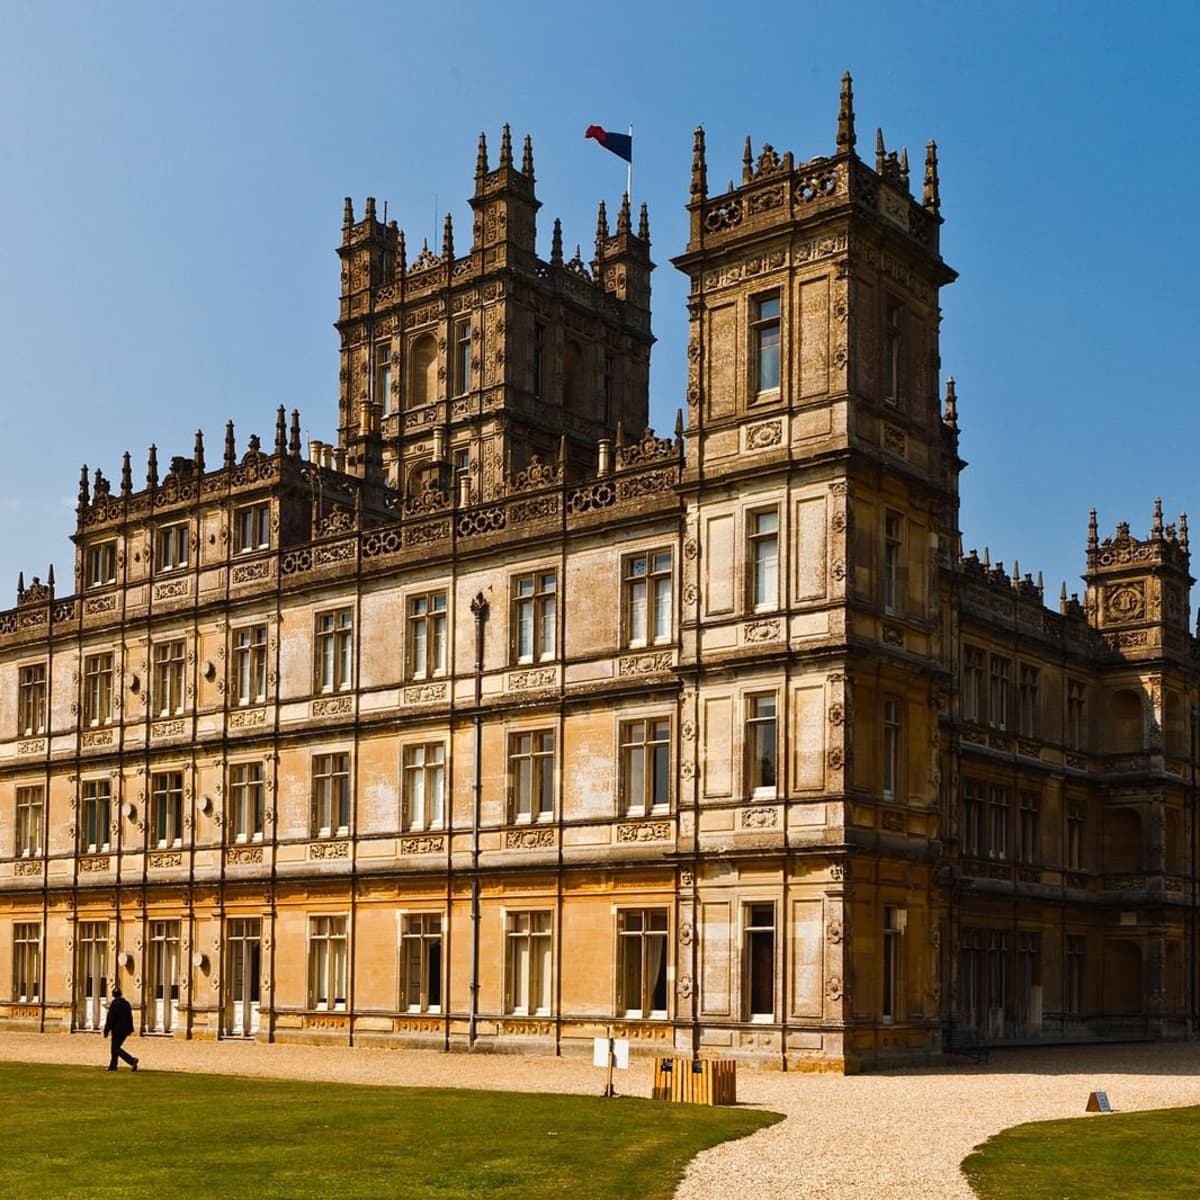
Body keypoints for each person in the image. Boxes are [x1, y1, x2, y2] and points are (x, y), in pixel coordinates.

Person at [103, 986, 138, 1072]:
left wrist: (106, 1030)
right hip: (125, 1030)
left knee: (115, 1048)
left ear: (113, 995)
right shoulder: (126, 1003)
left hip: (117, 1030)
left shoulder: (114, 1004)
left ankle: (132, 1060)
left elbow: (110, 1018)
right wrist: (130, 1029)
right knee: (114, 1047)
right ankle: (113, 1065)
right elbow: (130, 1017)